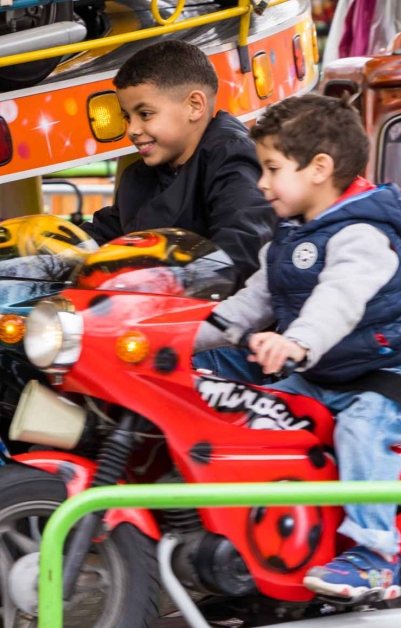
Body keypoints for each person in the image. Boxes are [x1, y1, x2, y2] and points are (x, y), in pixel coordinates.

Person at [195, 94, 401, 603]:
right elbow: (251, 302)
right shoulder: (289, 237)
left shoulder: (362, 235)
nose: (261, 183)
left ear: (318, 169)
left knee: (361, 431)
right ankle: (272, 541)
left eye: (272, 168)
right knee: (256, 416)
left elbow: (339, 301)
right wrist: (179, 334)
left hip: (393, 372)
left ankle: (375, 557)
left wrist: (295, 342)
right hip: (325, 375)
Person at [82, 39, 277, 382]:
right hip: (159, 324)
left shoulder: (231, 157)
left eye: (145, 114)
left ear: (194, 105)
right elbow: (107, 233)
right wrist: (54, 248)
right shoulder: (141, 177)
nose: (132, 130)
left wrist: (160, 288)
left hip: (230, 338)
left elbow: (244, 243)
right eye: (127, 117)